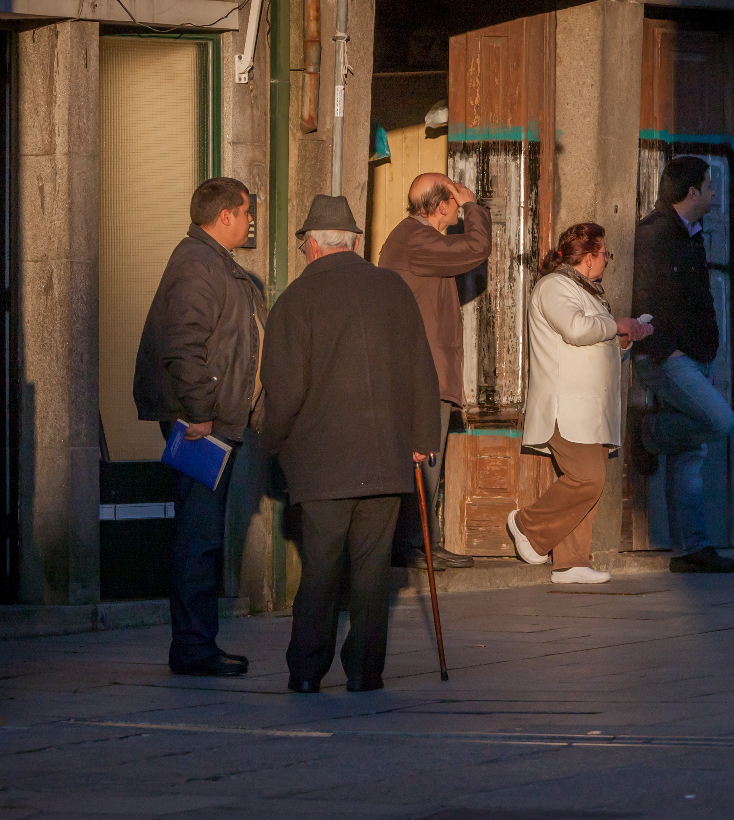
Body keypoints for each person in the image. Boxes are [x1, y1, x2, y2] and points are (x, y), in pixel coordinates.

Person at [260, 195, 441, 694]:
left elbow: (284, 392)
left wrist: (272, 441)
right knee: (372, 572)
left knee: (320, 569)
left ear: (311, 245)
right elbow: (421, 368)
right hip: (386, 459)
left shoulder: (295, 300)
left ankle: (306, 671)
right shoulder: (393, 288)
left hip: (323, 462)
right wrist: (422, 438)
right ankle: (365, 670)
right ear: (356, 243)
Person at [133, 176, 266, 676]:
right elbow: (184, 345)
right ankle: (192, 646)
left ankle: (197, 642)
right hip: (201, 424)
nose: (250, 220)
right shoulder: (197, 264)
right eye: (246, 211)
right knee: (198, 535)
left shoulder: (213, 261)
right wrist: (200, 412)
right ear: (225, 215)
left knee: (202, 533)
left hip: (215, 418)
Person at [506, 224, 653, 584]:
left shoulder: (588, 292)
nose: (607, 261)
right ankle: (527, 524)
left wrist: (621, 341)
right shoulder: (554, 286)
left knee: (591, 483)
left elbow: (592, 341)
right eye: (605, 254)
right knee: (587, 478)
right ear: (589, 257)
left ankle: (570, 562)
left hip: (592, 408)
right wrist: (616, 325)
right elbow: (575, 329)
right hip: (566, 405)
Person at [377, 173, 493, 570]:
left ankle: (424, 539)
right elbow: (476, 248)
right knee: (423, 456)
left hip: (425, 369)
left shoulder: (418, 239)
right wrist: (473, 205)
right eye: (454, 198)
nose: (458, 204)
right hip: (421, 372)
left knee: (429, 458)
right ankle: (411, 543)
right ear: (442, 206)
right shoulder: (416, 240)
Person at [631, 156, 734, 574]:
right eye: (709, 186)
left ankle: (690, 549)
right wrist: (668, 351)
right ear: (692, 192)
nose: (714, 194)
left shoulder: (693, 233)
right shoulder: (654, 234)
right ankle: (649, 432)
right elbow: (642, 298)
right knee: (719, 421)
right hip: (667, 358)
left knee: (690, 453)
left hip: (696, 356)